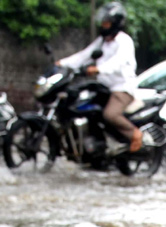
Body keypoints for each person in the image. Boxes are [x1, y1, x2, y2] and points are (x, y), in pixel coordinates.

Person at [58, 2, 142, 152]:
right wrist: (62, 64)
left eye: (107, 22)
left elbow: (118, 62)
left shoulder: (124, 41)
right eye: (102, 22)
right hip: (103, 88)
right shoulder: (102, 42)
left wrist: (98, 69)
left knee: (110, 114)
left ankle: (134, 133)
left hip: (121, 88)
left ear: (116, 23)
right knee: (85, 109)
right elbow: (84, 55)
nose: (103, 25)